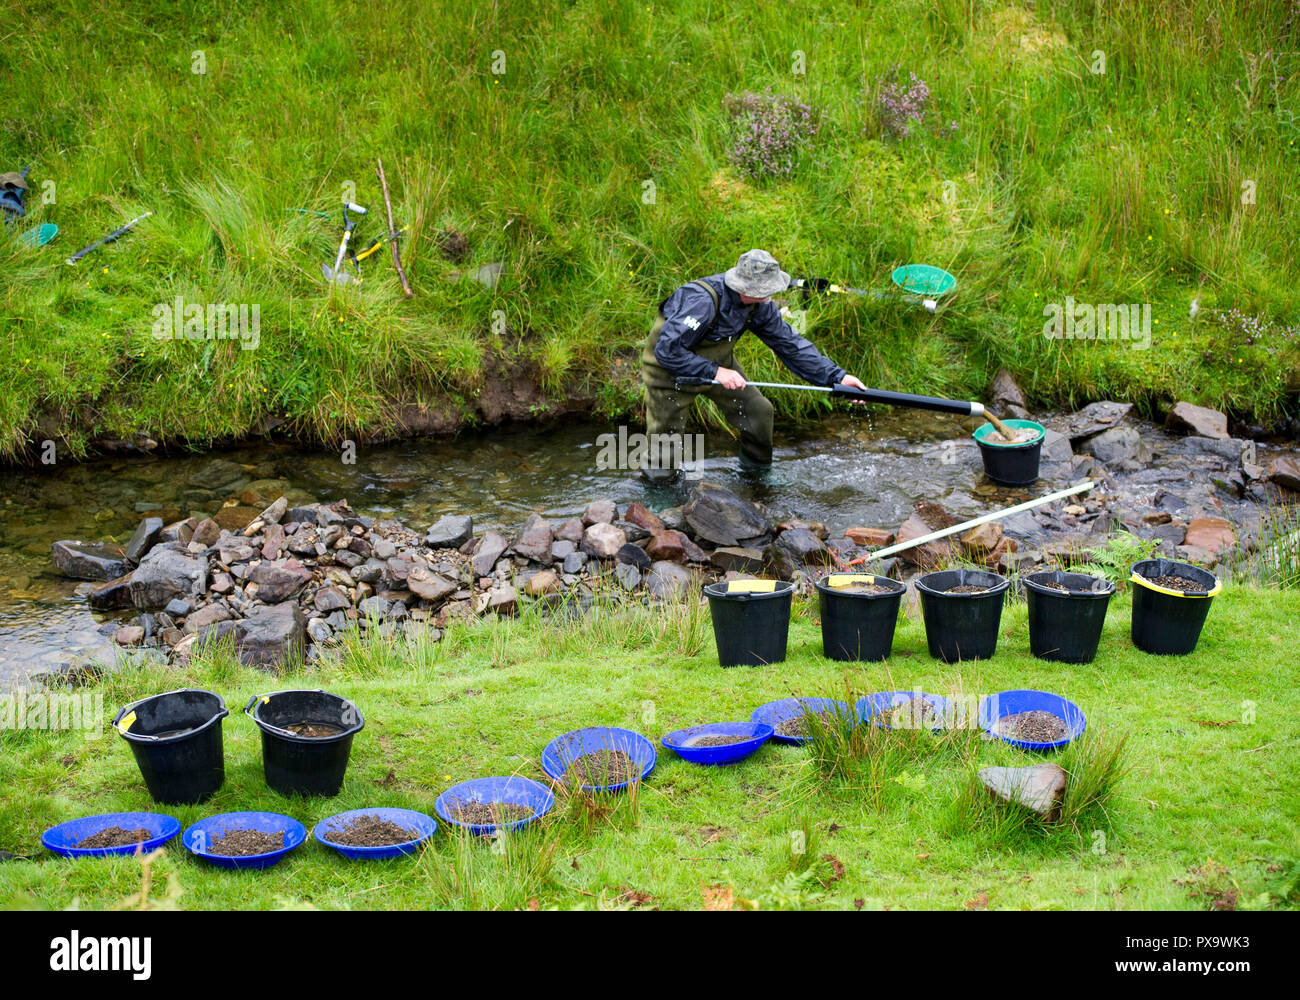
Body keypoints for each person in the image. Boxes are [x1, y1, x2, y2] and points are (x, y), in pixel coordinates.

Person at [640, 248, 869, 480]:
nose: (772, 294)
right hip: (669, 374)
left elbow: (790, 345)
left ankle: (756, 476)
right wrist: (716, 372)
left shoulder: (759, 306)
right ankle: (658, 491)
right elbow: (667, 350)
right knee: (665, 440)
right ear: (745, 287)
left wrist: (837, 377)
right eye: (766, 289)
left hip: (719, 367)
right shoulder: (702, 301)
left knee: (759, 411)